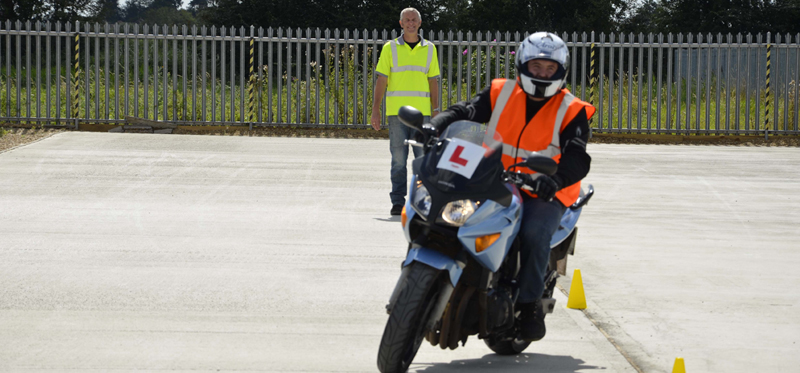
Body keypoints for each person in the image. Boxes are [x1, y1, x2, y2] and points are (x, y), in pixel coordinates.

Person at [430, 32, 595, 342]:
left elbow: (578, 155)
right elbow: (468, 111)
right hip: (494, 178)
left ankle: (530, 304)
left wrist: (556, 179)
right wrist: (440, 122)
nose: (543, 74)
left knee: (533, 233)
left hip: (545, 191)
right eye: (536, 66)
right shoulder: (501, 92)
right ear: (523, 64)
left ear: (561, 71)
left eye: (550, 68)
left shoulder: (572, 109)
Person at [371, 7, 440, 216]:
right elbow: (381, 80)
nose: (410, 23)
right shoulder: (389, 48)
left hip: (422, 116)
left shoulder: (430, 49)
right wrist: (375, 110)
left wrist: (436, 110)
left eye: (414, 20)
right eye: (407, 20)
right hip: (397, 114)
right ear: (401, 24)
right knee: (398, 161)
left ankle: (423, 202)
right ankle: (398, 202)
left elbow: (433, 80)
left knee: (423, 161)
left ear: (420, 23)